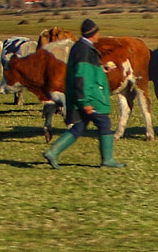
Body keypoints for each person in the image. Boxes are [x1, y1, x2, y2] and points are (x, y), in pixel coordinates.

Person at [42, 19, 125, 169]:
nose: (99, 33)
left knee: (79, 127)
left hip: (83, 95)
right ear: (93, 33)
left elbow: (86, 71)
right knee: (105, 124)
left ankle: (53, 152)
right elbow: (82, 77)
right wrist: (85, 101)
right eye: (97, 31)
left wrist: (101, 69)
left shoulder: (80, 47)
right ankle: (107, 160)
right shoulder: (85, 51)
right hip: (91, 97)